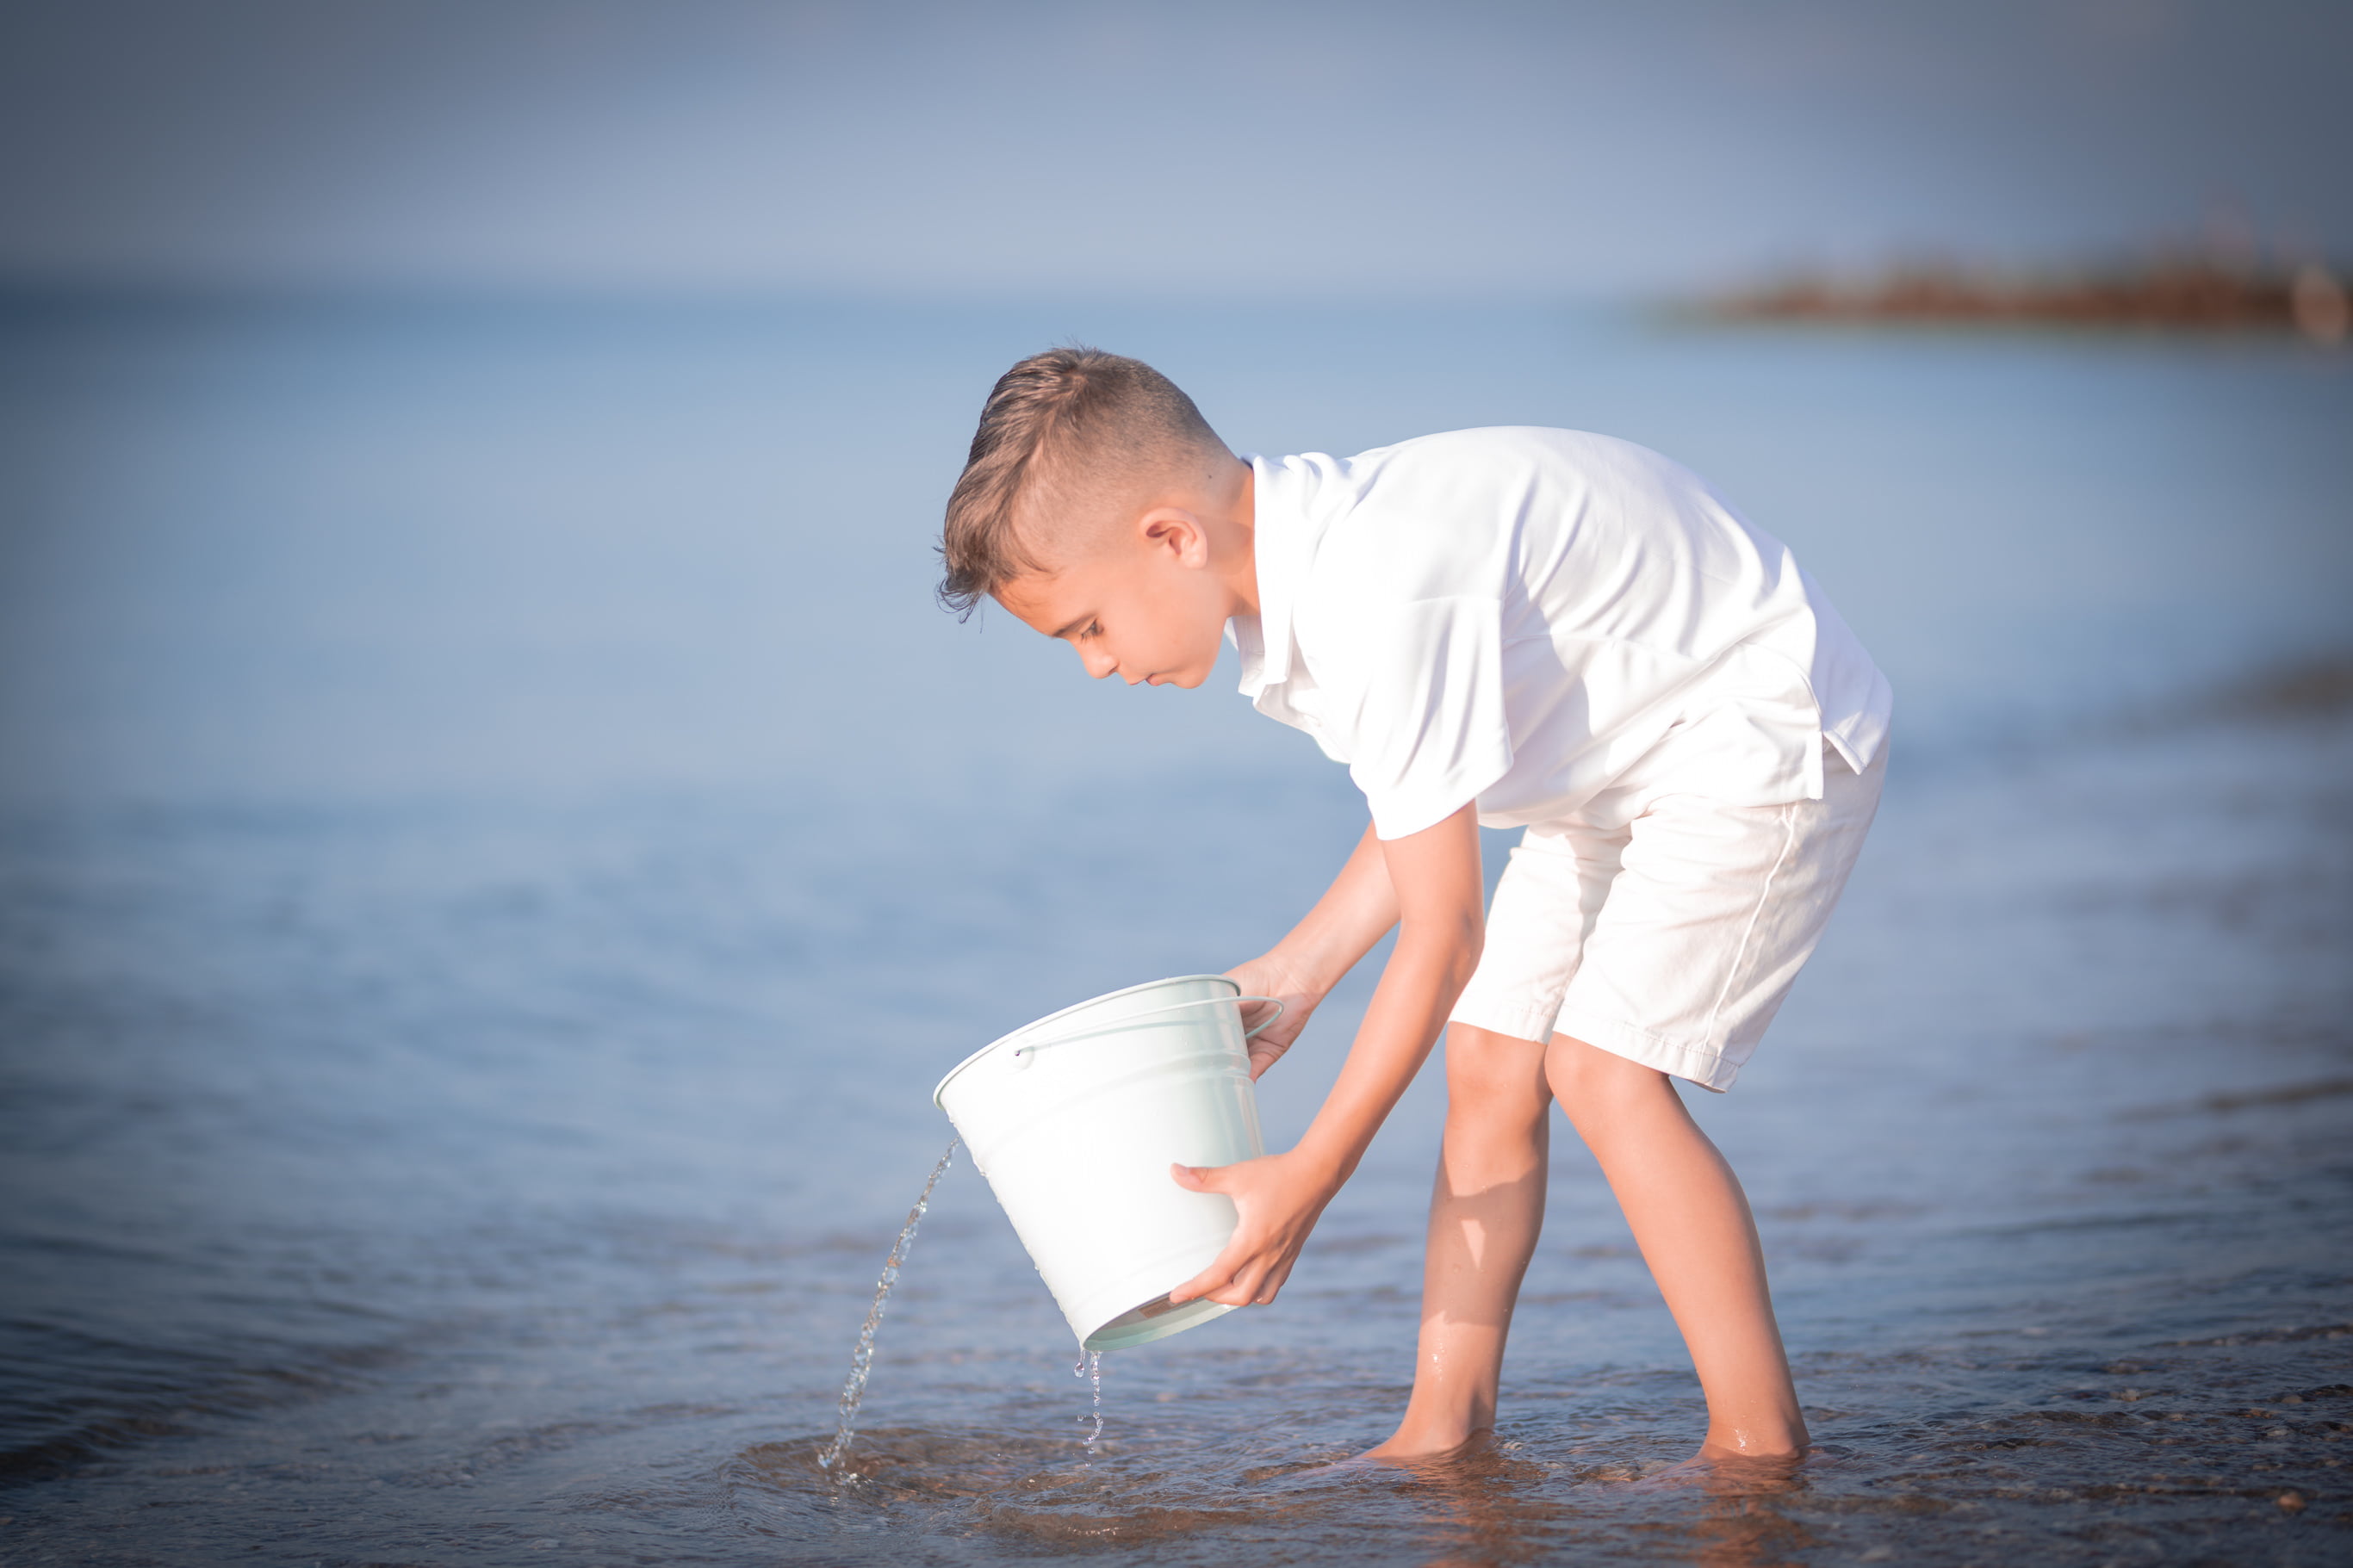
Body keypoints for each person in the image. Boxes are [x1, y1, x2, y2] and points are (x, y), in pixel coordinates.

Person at [935, 346, 1890, 1470]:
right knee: (1488, 1061)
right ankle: (1442, 1428)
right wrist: (1300, 970)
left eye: (1088, 627)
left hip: (1750, 723)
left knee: (1601, 1068)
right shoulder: (1300, 584)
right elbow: (1422, 808)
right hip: (1609, 765)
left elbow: (1447, 933)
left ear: (1171, 538)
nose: (1094, 667)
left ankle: (1757, 1443)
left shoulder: (1378, 590)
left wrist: (1316, 1167)